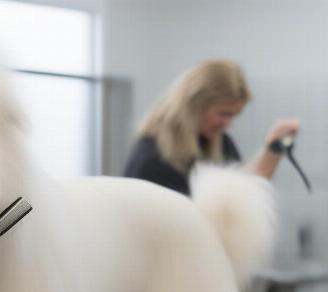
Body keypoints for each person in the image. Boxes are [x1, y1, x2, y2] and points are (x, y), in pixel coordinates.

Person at [124, 59, 300, 195]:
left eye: (233, 115)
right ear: (195, 104)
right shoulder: (151, 158)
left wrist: (273, 150)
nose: (228, 124)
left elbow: (244, 194)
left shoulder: (220, 142)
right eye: (224, 114)